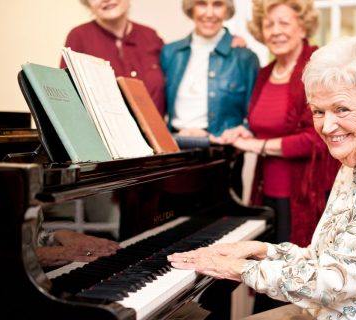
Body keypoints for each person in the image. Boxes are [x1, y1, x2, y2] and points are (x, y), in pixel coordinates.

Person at [168, 37, 356, 319]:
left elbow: (335, 281)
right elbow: (331, 259)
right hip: (332, 309)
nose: (327, 127)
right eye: (318, 111)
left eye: (342, 109)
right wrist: (263, 250)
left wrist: (236, 268)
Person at [217, 0, 340, 246]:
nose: (275, 31)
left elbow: (317, 138)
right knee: (264, 273)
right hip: (266, 194)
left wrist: (256, 146)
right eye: (268, 24)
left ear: (303, 27)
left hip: (308, 195)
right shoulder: (265, 72)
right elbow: (268, 124)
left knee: (298, 275)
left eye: (284, 23)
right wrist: (246, 131)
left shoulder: (319, 70)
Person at [161, 0, 260, 138]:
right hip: (175, 148)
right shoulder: (170, 52)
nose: (209, 13)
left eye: (218, 4)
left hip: (222, 153)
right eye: (201, 4)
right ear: (191, 8)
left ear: (227, 9)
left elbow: (256, 114)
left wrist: (236, 133)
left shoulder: (245, 58)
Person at [60, 0, 166, 114]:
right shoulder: (78, 37)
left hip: (157, 131)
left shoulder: (150, 36)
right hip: (101, 131)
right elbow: (67, 97)